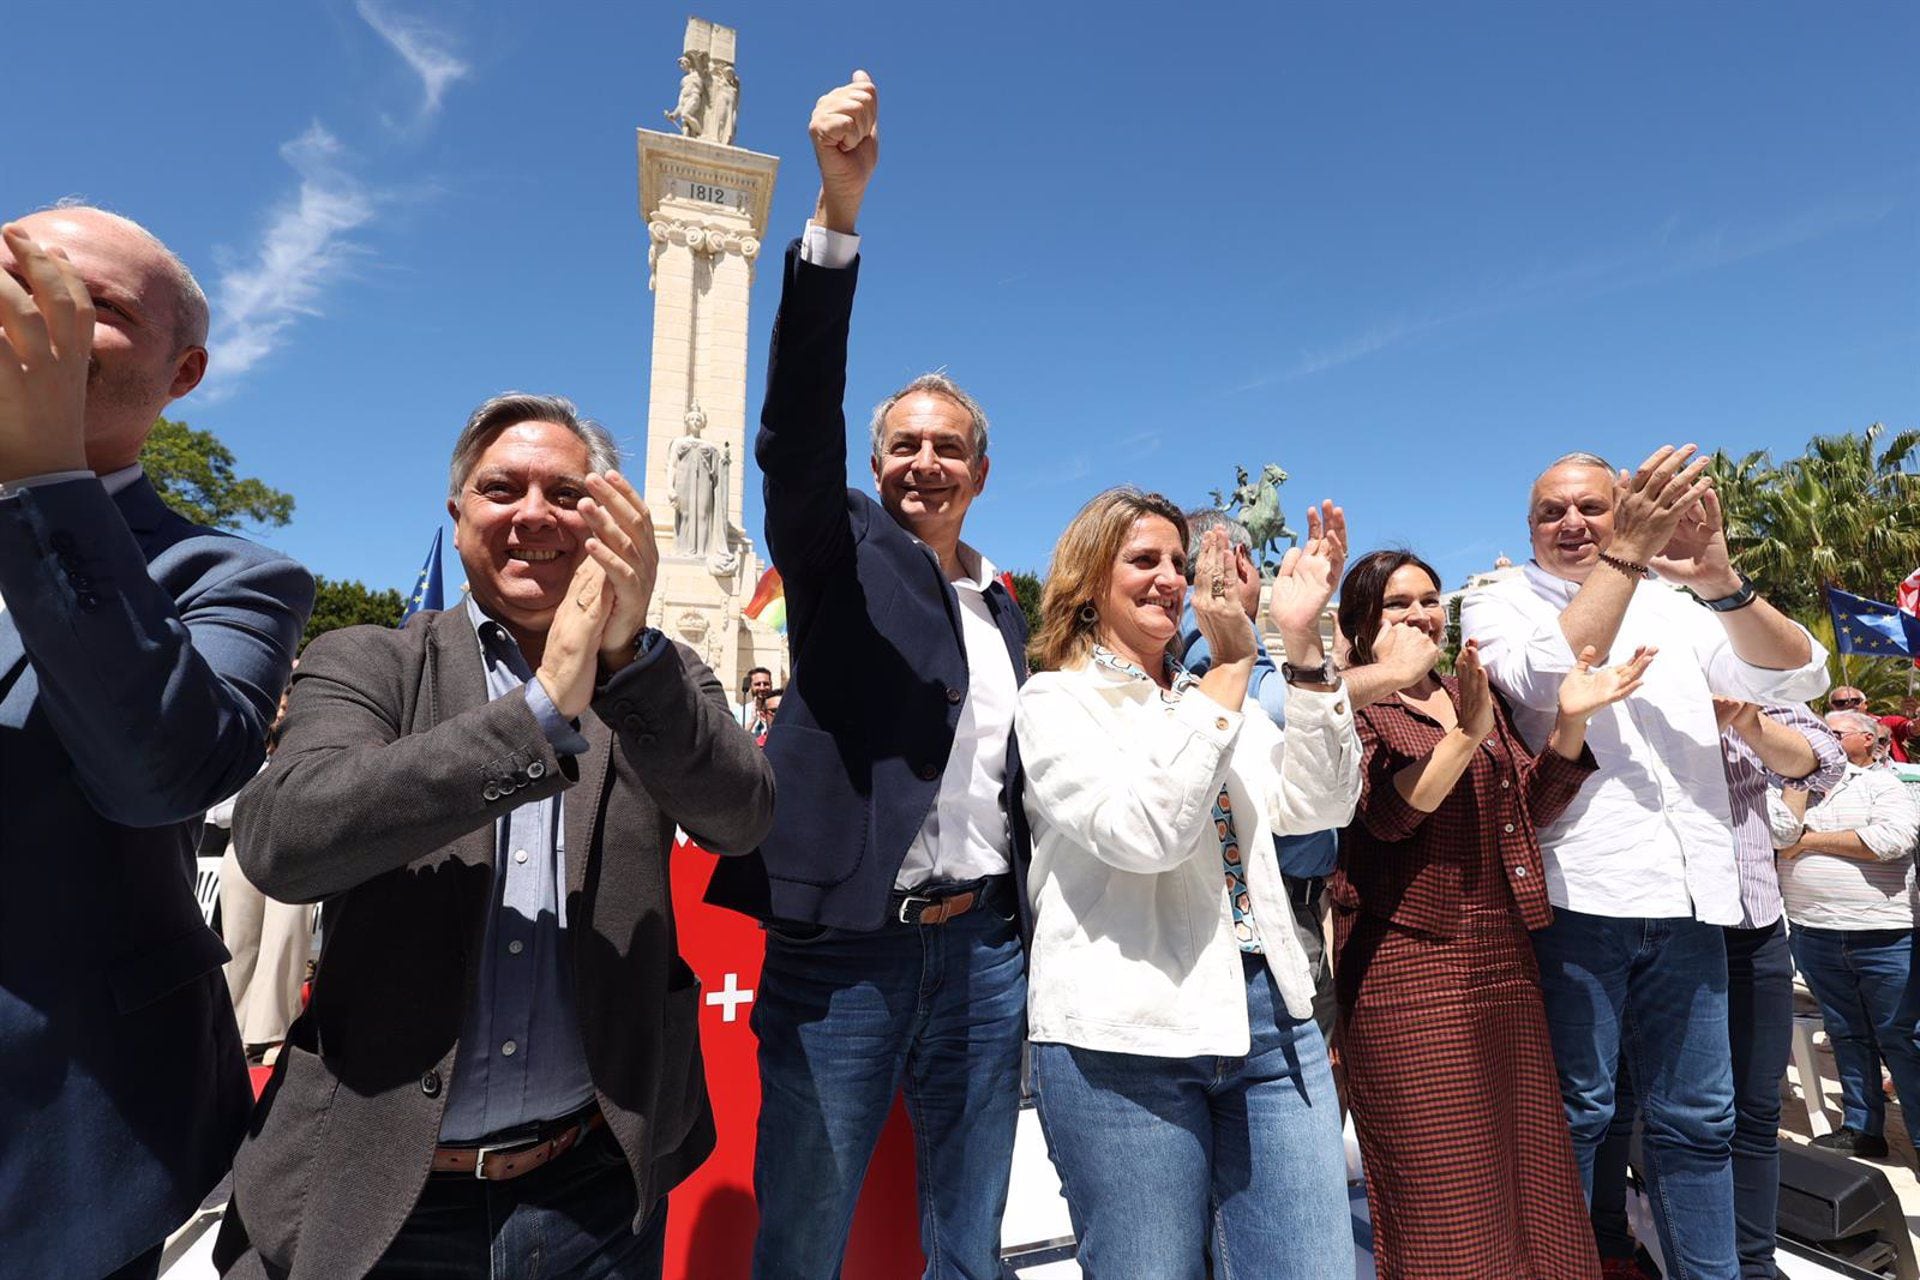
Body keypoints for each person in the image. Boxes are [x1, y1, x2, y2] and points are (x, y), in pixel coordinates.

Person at [213, 393, 774, 1279]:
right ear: (458, 512)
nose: (533, 516)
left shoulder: (660, 674)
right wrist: (539, 714)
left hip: (598, 1180)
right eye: (502, 488)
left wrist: (625, 664)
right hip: (379, 1191)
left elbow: (740, 817)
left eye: (564, 493)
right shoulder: (371, 661)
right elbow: (284, 840)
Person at [701, 73, 1033, 1280]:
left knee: (969, 1231)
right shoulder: (836, 548)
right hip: (846, 946)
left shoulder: (1007, 604)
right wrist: (838, 214)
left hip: (988, 951)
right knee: (807, 1232)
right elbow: (793, 427)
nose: (925, 463)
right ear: (879, 462)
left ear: (981, 474)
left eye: (949, 448)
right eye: (905, 444)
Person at [0, 208, 313, 1280]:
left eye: (92, 305)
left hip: (61, 1159)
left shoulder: (231, 576)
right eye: (14, 277)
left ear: (182, 374)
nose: (35, 314)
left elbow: (159, 772)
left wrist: (43, 480)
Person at [1460, 446, 1829, 1277]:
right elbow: (1538, 678)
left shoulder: (1677, 608)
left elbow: (1795, 677)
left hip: (1695, 903)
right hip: (1577, 902)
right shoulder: (1500, 600)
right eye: (1554, 511)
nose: (1575, 524)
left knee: (1701, 1121)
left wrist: (1720, 577)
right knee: (1574, 1116)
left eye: (1594, 507)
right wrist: (1626, 553)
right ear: (1528, 527)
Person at [1017, 487, 1360, 1278]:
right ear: (1088, 582)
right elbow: (1149, 834)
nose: (1171, 578)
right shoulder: (1057, 701)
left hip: (1275, 1025)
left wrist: (1304, 650)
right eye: (1145, 561)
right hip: (1124, 1041)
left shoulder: (1210, 694)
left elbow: (1322, 804)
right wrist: (1234, 665)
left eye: (1180, 561)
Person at [1335, 549, 1645, 1279]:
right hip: (1405, 966)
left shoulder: (1471, 692)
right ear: (1361, 621)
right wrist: (1465, 734)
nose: (1420, 615)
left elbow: (1527, 812)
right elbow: (1385, 818)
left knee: (1528, 1168)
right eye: (1398, 604)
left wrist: (1570, 722)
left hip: (1503, 953)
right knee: (1441, 1178)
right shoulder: (1351, 706)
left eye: (1430, 600)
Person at [1589, 699, 1845, 1279]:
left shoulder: (1748, 676)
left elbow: (1822, 763)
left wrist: (1746, 720)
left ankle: (1752, 1262)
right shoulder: (1631, 676)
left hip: (1750, 924)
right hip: (1652, 918)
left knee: (1755, 1111)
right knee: (1619, 1101)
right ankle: (1608, 1239)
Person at [1177, 511, 1438, 1041]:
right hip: (1269, 907)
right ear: (1239, 561)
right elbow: (1274, 708)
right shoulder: (1208, 622)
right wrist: (1392, 672)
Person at [1771, 709, 1920, 1161]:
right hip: (1813, 933)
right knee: (1846, 1033)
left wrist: (1810, 840)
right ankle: (1861, 1128)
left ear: (1870, 741)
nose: (1821, 741)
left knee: (1904, 1038)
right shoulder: (1791, 788)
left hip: (1886, 936)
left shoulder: (1883, 785)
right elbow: (1776, 836)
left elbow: (1892, 840)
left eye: (1834, 733)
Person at [217, 680, 315, 1061]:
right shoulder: (244, 755)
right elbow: (217, 812)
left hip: (295, 845)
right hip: (242, 846)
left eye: (285, 704)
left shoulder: (306, 750)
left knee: (285, 935)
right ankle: (233, 1030)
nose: (280, 711)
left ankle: (274, 1033)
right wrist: (261, 793)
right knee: (238, 942)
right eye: (275, 705)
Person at [735, 664, 773, 734]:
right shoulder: (740, 713)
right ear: (750, 686)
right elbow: (736, 741)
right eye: (758, 684)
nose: (762, 688)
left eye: (766, 684)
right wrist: (752, 720)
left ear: (771, 685)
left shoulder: (779, 711)